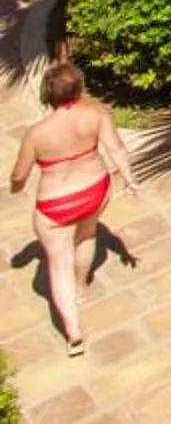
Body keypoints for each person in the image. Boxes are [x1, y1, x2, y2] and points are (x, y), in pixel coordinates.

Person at [11, 60, 135, 356]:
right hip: (95, 189)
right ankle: (81, 287)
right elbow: (116, 148)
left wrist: (15, 186)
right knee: (88, 234)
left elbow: (20, 174)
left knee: (58, 263)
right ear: (78, 88)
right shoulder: (96, 114)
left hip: (57, 204)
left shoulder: (37, 133)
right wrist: (130, 180)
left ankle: (73, 330)